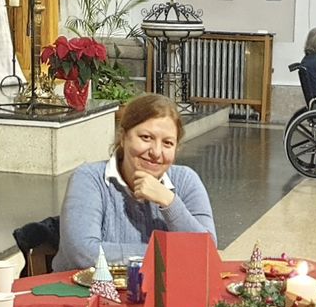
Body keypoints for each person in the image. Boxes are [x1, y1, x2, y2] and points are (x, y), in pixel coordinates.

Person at [55, 93, 217, 271]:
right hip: (87, 294)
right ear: (123, 137)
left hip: (159, 296)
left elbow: (207, 252)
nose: (156, 152)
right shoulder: (89, 178)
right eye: (146, 137)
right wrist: (175, 253)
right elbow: (83, 254)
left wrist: (169, 202)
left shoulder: (186, 180)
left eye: (168, 143)